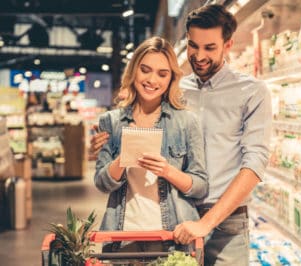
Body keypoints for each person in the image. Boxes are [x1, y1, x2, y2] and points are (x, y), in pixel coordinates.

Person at [91, 4, 272, 265]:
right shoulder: (173, 90)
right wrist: (103, 145)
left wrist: (206, 223)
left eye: (209, 48)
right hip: (175, 216)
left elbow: (255, 162)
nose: (199, 55)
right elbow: (134, 122)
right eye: (193, 46)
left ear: (228, 44)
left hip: (226, 221)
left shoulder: (252, 92)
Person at [93, 36, 208, 252]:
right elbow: (101, 183)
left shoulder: (186, 122)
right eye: (145, 70)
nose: (152, 80)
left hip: (172, 238)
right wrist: (123, 159)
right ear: (134, 70)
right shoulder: (112, 121)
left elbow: (201, 187)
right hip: (123, 238)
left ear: (171, 78)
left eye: (162, 74)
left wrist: (167, 171)